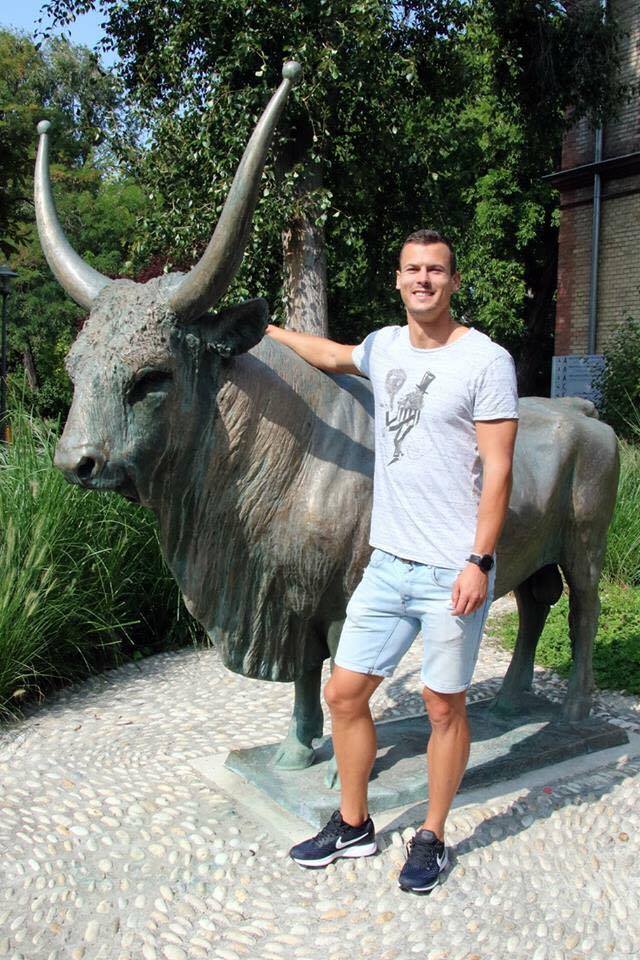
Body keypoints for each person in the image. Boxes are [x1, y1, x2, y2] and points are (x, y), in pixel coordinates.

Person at [265, 229, 519, 893]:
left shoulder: (486, 361)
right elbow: (329, 353)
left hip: (451, 571)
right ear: (399, 280)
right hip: (387, 566)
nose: (423, 280)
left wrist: (479, 560)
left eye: (436, 270)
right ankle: (354, 824)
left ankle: (431, 834)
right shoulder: (383, 347)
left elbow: (498, 471)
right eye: (413, 269)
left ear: (453, 281)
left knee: (443, 707)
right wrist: (265, 331)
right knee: (344, 694)